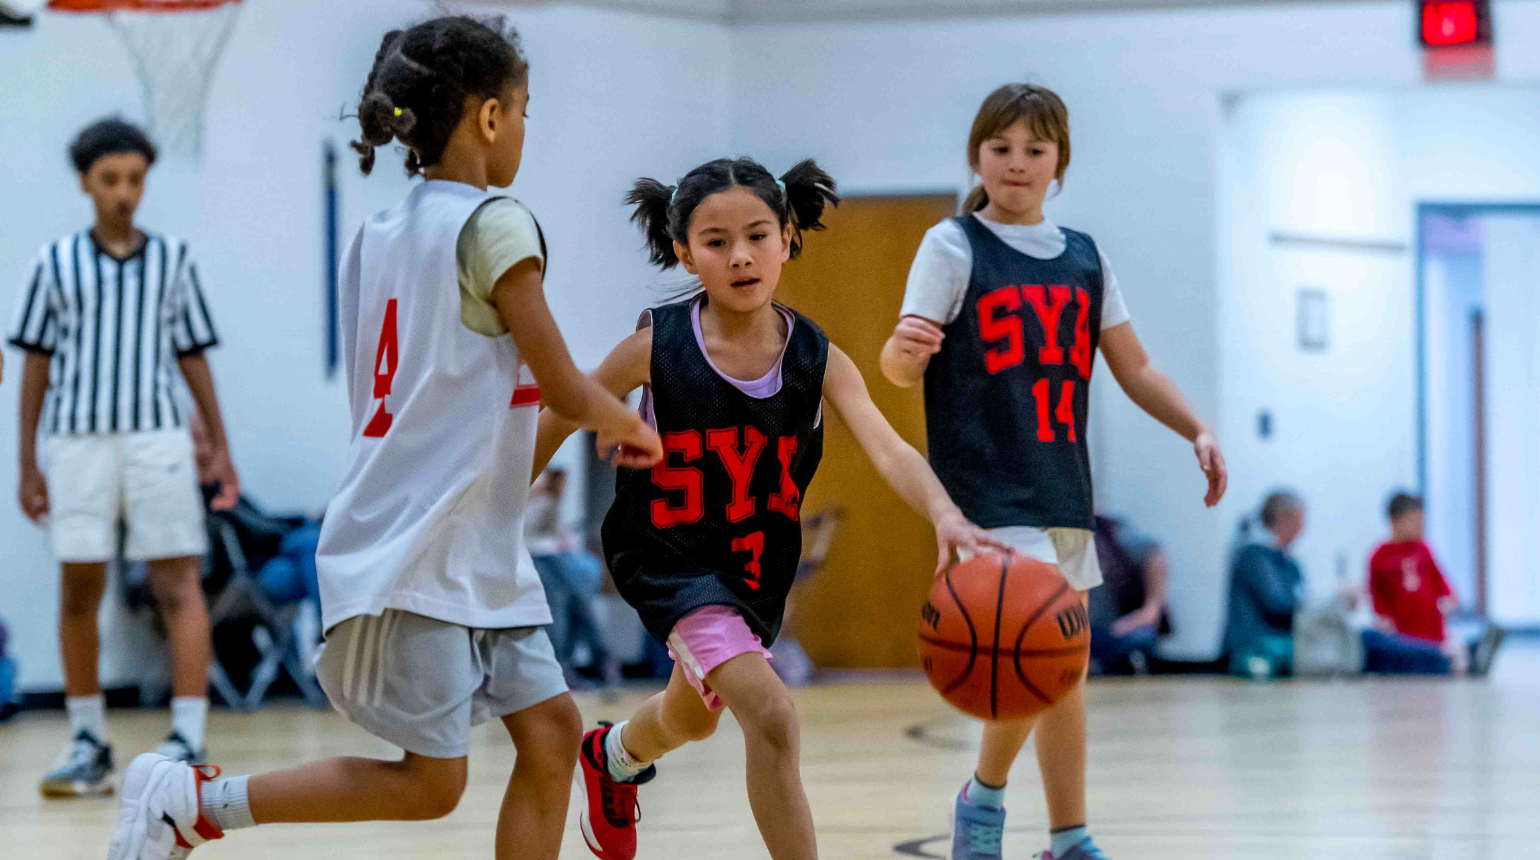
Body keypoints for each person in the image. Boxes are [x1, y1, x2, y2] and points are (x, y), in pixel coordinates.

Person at [104, 16, 662, 860]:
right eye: (521, 110)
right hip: (420, 543)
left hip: (473, 541)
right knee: (433, 783)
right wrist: (627, 420)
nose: (521, 130)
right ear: (485, 117)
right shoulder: (498, 224)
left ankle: (196, 802)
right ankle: (198, 802)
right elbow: (561, 383)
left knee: (551, 738)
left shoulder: (382, 232)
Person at [532, 156, 999, 860]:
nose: (741, 255)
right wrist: (485, 511)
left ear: (787, 237)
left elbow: (889, 447)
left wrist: (945, 513)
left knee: (690, 718)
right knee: (773, 717)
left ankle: (611, 757)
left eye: (757, 235)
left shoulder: (818, 357)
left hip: (754, 573)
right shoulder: (655, 345)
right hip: (671, 562)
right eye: (716, 242)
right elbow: (560, 414)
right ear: (684, 251)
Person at [879, 83, 1228, 860]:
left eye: (1034, 149)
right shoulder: (952, 245)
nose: (1016, 163)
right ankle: (986, 801)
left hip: (1062, 488)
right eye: (1001, 148)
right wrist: (901, 353)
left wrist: (1195, 427)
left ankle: (1067, 835)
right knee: (1028, 651)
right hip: (983, 492)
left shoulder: (1084, 256)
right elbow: (899, 368)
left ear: (1059, 162)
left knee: (1062, 672)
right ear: (977, 155)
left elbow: (1135, 368)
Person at [8, 117, 240, 798]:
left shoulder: (173, 260)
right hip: (76, 440)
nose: (124, 193)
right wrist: (26, 461)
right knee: (80, 585)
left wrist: (220, 444)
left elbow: (193, 354)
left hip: (158, 439)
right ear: (86, 182)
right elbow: (34, 367)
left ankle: (190, 738)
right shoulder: (53, 264)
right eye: (110, 179)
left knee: (177, 582)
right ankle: (87, 740)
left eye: (135, 179)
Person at [1367, 492, 1505, 676]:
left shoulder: (1423, 548)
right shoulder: (1379, 556)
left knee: (1436, 653)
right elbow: (1377, 598)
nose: (1420, 527)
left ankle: (1469, 653)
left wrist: (1451, 598)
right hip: (1404, 633)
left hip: (1432, 630)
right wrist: (1383, 619)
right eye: (1414, 522)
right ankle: (1468, 656)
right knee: (1419, 659)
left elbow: (1440, 580)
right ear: (1395, 521)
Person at [526, 468, 615, 687]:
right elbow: (527, 529)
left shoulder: (552, 498)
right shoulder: (534, 489)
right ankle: (561, 671)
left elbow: (552, 532)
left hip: (557, 558)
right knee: (557, 615)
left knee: (579, 610)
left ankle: (595, 663)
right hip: (539, 559)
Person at [1221, 491, 1305, 678]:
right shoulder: (1255, 555)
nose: (1303, 526)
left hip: (1278, 643)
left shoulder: (1287, 560)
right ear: (1285, 517)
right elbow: (1279, 604)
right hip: (1253, 647)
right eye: (1301, 518)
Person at [1087, 514, 1170, 676]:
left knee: (1139, 639)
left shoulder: (1107, 530)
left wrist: (1150, 610)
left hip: (1108, 631)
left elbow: (1155, 552)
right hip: (1070, 631)